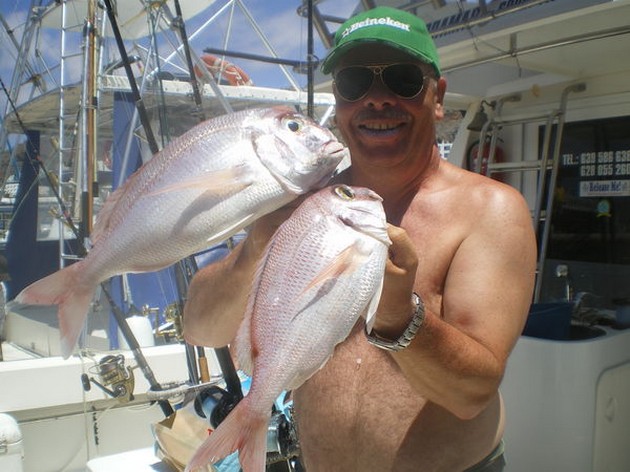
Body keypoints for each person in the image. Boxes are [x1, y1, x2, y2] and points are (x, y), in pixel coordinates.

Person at [183, 6, 536, 472]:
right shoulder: (301, 204)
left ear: (437, 97)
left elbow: (471, 393)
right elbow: (201, 328)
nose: (378, 99)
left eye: (403, 79)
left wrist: (398, 317)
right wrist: (254, 249)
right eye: (354, 83)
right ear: (340, 100)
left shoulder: (489, 209)